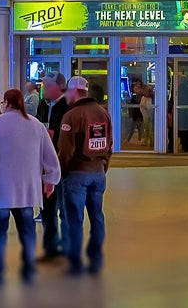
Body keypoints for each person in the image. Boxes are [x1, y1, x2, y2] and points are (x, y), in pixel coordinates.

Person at [0, 88, 60, 286]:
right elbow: (50, 156)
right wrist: (51, 180)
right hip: (26, 192)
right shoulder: (36, 125)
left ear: (6, 102)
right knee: (27, 232)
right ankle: (29, 270)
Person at [55, 76, 112, 275]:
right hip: (98, 173)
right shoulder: (103, 113)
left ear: (75, 91)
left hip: (76, 175)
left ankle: (75, 263)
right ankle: (96, 261)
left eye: (68, 92)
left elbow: (65, 151)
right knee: (97, 217)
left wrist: (58, 175)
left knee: (74, 220)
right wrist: (103, 167)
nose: (66, 96)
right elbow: (109, 144)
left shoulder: (71, 116)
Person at [34, 73, 68, 261]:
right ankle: (51, 248)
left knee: (64, 209)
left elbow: (61, 135)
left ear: (59, 87)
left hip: (63, 165)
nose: (44, 89)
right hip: (45, 165)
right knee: (47, 209)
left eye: (48, 86)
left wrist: (51, 135)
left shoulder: (67, 107)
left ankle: (68, 247)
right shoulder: (43, 105)